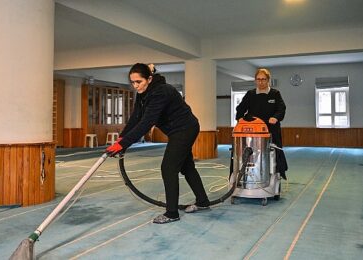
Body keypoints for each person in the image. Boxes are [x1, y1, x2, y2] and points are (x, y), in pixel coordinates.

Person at [106, 63, 210, 224]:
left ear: (149, 78)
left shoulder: (161, 92)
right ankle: (203, 202)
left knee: (168, 167)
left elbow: (147, 122)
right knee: (186, 166)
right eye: (132, 82)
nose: (135, 86)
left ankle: (172, 213)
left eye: (138, 82)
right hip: (176, 130)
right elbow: (136, 117)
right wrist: (122, 138)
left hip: (185, 129)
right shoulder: (143, 93)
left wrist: (124, 144)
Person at [235, 68, 288, 179]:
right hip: (254, 131)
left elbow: (281, 109)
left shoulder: (275, 94)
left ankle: (275, 174)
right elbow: (240, 108)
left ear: (268, 80)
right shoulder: (251, 94)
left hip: (271, 130)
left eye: (263, 79)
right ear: (255, 80)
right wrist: (239, 118)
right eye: (258, 79)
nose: (261, 82)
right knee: (252, 154)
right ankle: (249, 175)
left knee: (273, 153)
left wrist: (275, 117)